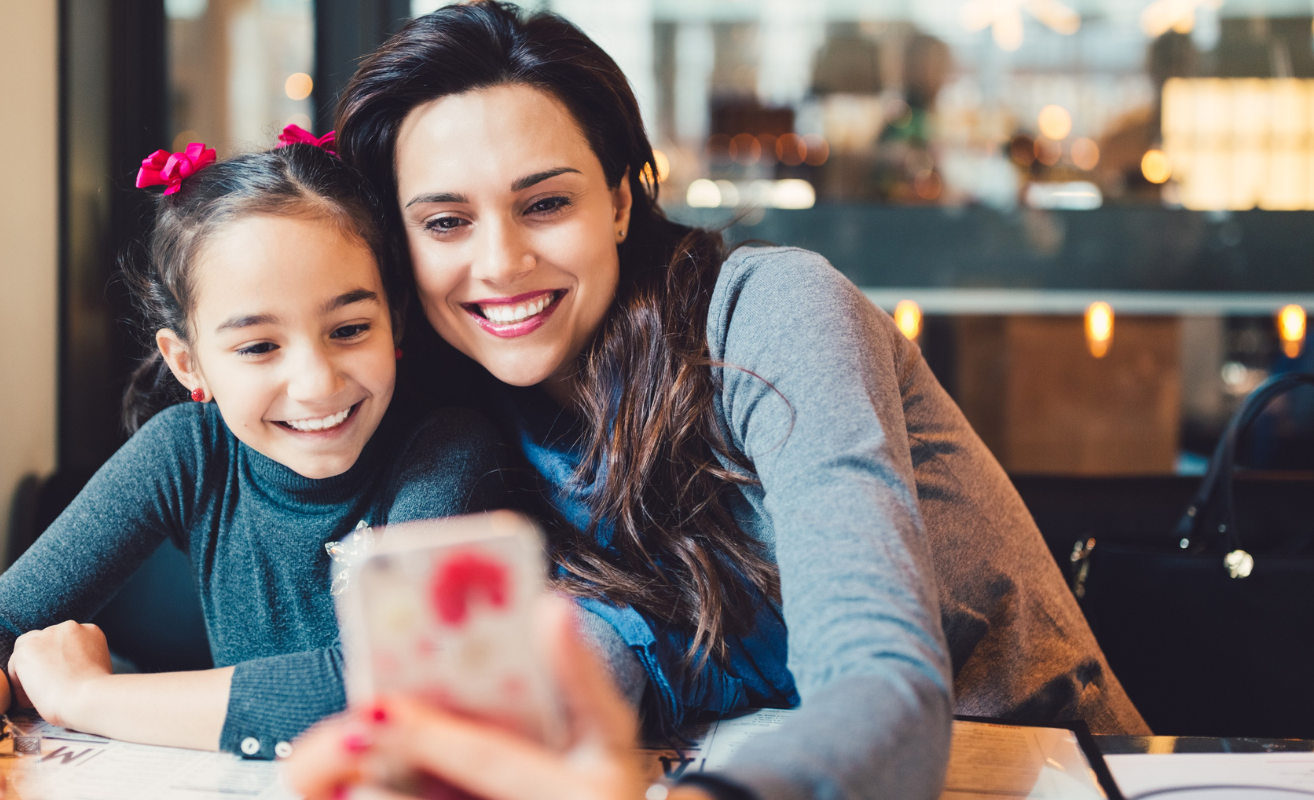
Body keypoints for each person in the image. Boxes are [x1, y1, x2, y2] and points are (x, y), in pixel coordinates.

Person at [288, 4, 1148, 800]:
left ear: (618, 202)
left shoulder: (772, 311)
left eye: (545, 203)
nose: (501, 262)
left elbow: (882, 679)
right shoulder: (466, 430)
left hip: (1039, 773)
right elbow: (599, 657)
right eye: (446, 222)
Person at [0, 132, 507, 800]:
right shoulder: (187, 451)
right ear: (188, 363)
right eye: (259, 347)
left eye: (350, 329)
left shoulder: (448, 451)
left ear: (395, 322)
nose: (317, 383)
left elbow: (391, 687)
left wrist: (87, 696)